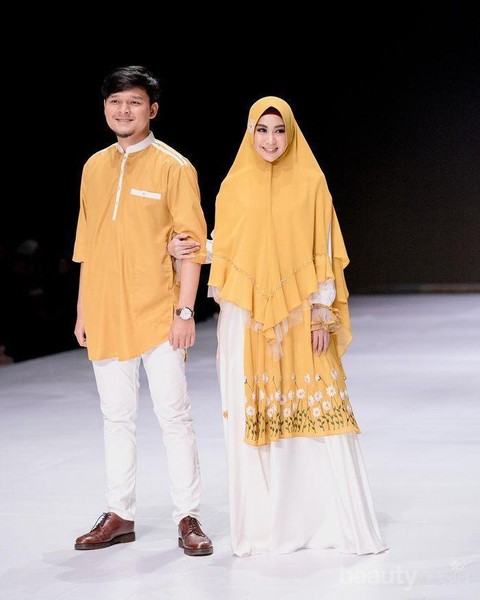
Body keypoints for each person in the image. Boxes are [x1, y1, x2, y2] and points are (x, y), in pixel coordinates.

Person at [169, 96, 387, 557]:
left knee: (314, 408)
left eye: (279, 130)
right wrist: (187, 249)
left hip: (301, 311)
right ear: (250, 133)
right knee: (254, 411)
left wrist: (322, 311)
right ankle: (266, 528)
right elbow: (228, 246)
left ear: (291, 133)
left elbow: (323, 249)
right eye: (262, 130)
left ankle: (326, 524)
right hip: (243, 316)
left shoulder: (311, 182)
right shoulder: (234, 185)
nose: (271, 140)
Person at [72, 65, 213, 556]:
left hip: (158, 313)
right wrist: (83, 310)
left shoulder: (174, 166)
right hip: (106, 311)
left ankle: (188, 516)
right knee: (116, 417)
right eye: (115, 102)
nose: (123, 110)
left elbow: (193, 246)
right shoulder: (93, 167)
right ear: (104, 108)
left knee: (174, 416)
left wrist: (185, 312)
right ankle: (120, 513)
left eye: (133, 102)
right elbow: (86, 246)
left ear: (152, 109)